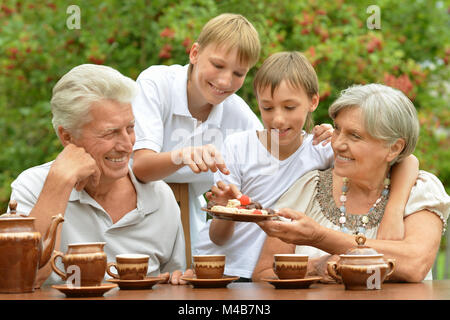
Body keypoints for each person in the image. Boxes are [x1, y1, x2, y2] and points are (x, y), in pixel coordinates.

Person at [194, 53, 420, 281]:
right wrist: (224, 212)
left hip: (268, 271)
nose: (278, 119)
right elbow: (218, 238)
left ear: (313, 102)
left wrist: (394, 209)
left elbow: (407, 159)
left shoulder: (320, 149)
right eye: (268, 108)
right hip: (221, 268)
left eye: (289, 107)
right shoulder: (238, 146)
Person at [131, 13, 333, 261]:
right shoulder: (156, 84)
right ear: (194, 54)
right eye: (217, 65)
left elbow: (276, 147)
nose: (225, 80)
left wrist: (332, 136)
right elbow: (140, 167)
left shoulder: (238, 114)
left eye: (238, 73)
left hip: (191, 224)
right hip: (134, 210)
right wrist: (182, 155)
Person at [8, 64, 187, 286]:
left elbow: (174, 282)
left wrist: (180, 281)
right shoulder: (33, 187)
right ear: (67, 137)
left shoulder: (160, 195)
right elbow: (22, 279)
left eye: (130, 128)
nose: (126, 145)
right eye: (109, 133)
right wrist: (60, 182)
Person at [253, 83, 449, 283]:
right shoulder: (309, 188)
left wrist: (319, 237)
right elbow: (262, 275)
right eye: (337, 129)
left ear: (394, 148)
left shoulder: (420, 191)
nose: (337, 144)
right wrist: (315, 267)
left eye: (355, 136)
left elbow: (413, 264)